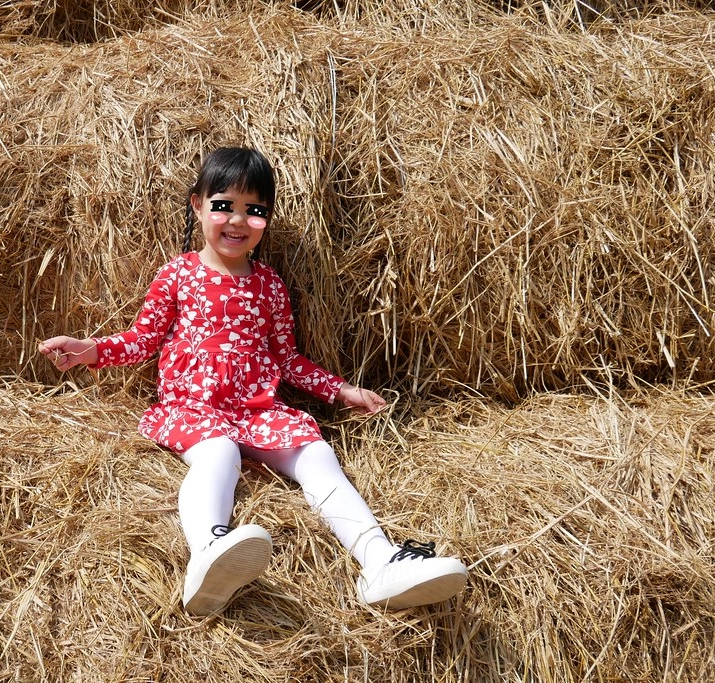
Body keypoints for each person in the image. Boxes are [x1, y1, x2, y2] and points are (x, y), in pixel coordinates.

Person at [40, 146, 468, 615]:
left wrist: (339, 389)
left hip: (257, 411)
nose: (238, 221)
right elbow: (143, 338)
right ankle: (208, 551)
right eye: (224, 205)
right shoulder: (178, 274)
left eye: (255, 211)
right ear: (197, 204)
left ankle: (380, 560)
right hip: (192, 408)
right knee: (217, 452)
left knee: (317, 452)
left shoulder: (269, 285)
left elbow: (287, 359)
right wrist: (92, 349)